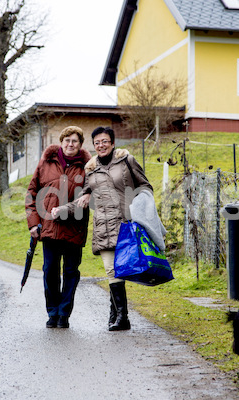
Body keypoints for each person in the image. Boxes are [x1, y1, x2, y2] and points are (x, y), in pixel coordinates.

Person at [53, 126, 153, 331]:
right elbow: (82, 199)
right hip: (104, 227)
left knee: (121, 270)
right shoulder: (90, 169)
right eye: (97, 142)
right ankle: (121, 316)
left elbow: (146, 187)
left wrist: (138, 207)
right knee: (111, 270)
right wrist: (60, 210)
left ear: (113, 143)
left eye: (105, 141)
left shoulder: (127, 161)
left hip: (126, 224)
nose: (101, 145)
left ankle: (116, 313)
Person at [25, 126, 91, 329]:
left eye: (75, 141)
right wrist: (33, 223)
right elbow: (32, 193)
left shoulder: (88, 166)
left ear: (80, 145)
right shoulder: (45, 163)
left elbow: (90, 195)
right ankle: (52, 312)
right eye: (67, 140)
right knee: (50, 271)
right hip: (49, 228)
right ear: (61, 142)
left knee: (71, 272)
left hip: (74, 227)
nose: (71, 144)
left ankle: (64, 314)